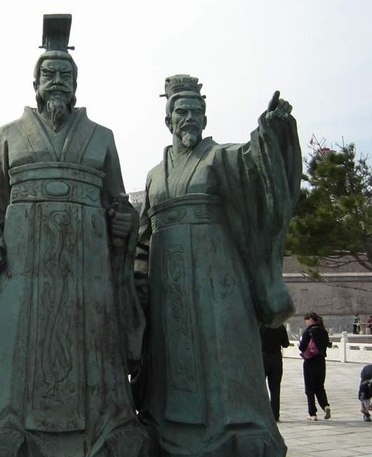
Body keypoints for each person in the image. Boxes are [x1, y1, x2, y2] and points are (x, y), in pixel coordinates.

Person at [0, 14, 151, 457]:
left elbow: (118, 202)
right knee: (19, 350)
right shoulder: (11, 135)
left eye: (66, 75)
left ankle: (104, 428)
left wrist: (123, 222)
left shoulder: (101, 138)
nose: (58, 82)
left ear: (76, 85)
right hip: (22, 273)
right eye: (49, 75)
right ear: (36, 84)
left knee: (93, 347)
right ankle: (8, 428)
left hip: (88, 276)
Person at [134, 75, 301, 456]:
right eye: (181, 111)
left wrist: (274, 128)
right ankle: (166, 428)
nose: (189, 118)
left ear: (206, 119)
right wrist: (139, 281)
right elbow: (143, 237)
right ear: (168, 120)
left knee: (224, 354)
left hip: (217, 281)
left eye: (197, 111)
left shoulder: (222, 158)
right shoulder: (155, 176)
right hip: (168, 288)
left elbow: (258, 163)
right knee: (170, 361)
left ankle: (235, 426)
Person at [299, 312, 332, 421]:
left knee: (309, 388)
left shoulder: (308, 332)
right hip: (321, 362)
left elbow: (302, 347)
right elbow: (327, 344)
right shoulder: (324, 332)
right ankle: (325, 405)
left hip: (310, 362)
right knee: (320, 386)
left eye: (306, 320)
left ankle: (312, 413)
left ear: (310, 320)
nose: (306, 323)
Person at [260, 324, 290, 421]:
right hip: (276, 358)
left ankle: (261, 413)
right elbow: (285, 344)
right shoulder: (280, 326)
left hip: (262, 357)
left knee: (260, 388)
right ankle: (275, 415)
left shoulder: (260, 326)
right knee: (275, 389)